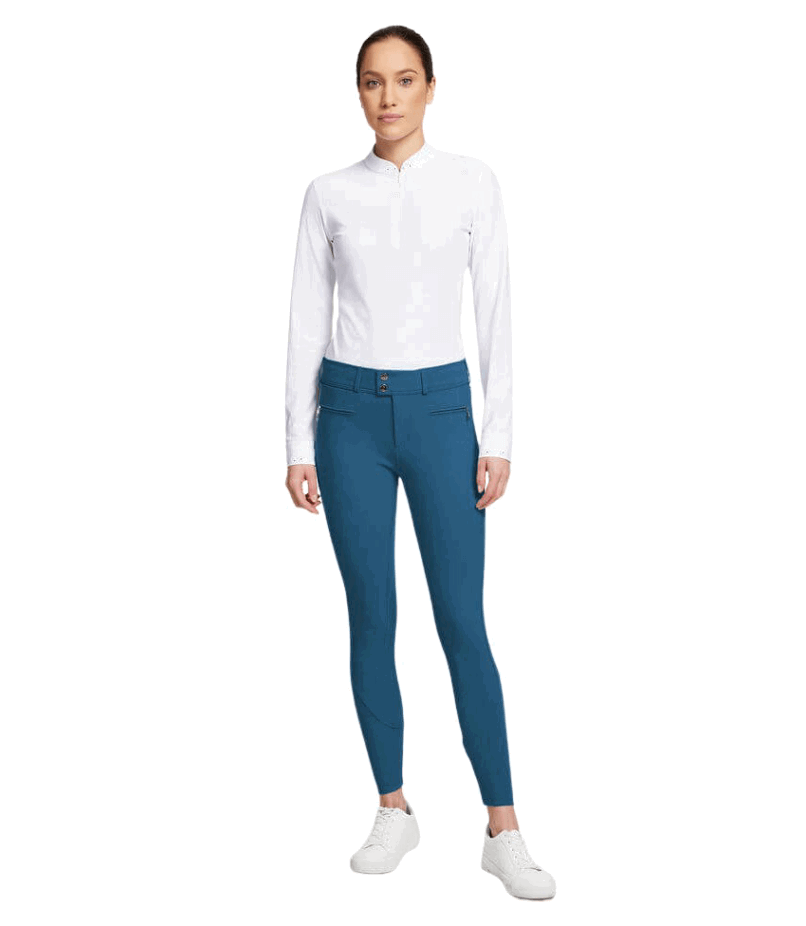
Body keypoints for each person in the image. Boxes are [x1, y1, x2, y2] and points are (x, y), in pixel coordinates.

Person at [283, 25, 555, 901]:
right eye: (372, 81)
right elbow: (306, 319)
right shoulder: (328, 195)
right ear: (358, 92)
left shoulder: (472, 183)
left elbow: (497, 309)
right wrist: (296, 442)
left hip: (442, 413)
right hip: (349, 418)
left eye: (404, 80)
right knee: (372, 618)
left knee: (462, 622)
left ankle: (503, 828)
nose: (388, 96)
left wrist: (498, 435)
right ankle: (393, 806)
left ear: (431, 88)